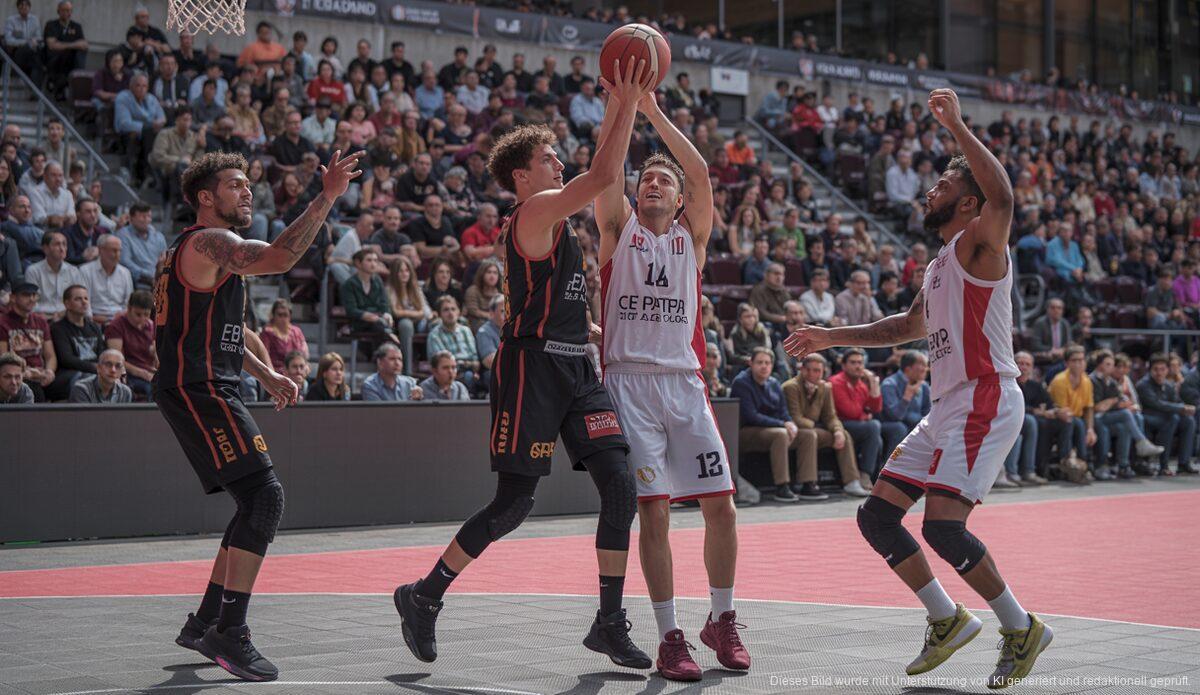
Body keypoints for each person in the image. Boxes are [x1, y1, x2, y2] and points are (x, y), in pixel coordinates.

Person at [784, 89, 1051, 687]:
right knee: (877, 518)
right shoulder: (937, 265)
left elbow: (1004, 195)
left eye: (942, 188)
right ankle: (947, 618)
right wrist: (832, 336)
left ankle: (1020, 625)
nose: (930, 192)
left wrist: (956, 125)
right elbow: (904, 327)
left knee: (942, 527)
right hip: (948, 406)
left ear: (969, 204)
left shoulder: (982, 245)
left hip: (986, 395)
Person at [394, 60, 655, 670]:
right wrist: (627, 100)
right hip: (530, 369)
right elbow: (604, 173)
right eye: (548, 158)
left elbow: (592, 187)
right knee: (513, 504)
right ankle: (425, 595)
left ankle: (609, 621)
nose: (558, 164)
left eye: (559, 158)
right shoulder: (533, 214)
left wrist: (622, 101)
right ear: (521, 174)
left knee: (619, 485)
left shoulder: (558, 220)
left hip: (576, 366)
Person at [154, 148, 361, 682]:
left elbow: (218, 327)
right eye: (235, 185)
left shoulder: (205, 253)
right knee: (265, 497)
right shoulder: (207, 241)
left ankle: (204, 623)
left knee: (251, 500)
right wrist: (326, 197)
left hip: (208, 381)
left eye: (248, 184)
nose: (248, 191)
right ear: (206, 197)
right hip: (197, 386)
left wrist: (265, 374)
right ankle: (230, 630)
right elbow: (278, 258)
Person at [594, 90, 749, 681]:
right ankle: (670, 635)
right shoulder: (618, 230)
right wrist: (623, 105)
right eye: (647, 178)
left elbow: (703, 171)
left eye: (665, 179)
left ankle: (723, 618)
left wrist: (653, 108)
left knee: (722, 508)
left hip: (685, 386)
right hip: (629, 387)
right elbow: (606, 169)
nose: (654, 184)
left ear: (682, 199)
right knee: (654, 516)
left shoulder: (693, 238)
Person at [783, 353, 869, 497]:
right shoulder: (790, 387)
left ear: (823, 372)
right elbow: (795, 418)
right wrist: (817, 425)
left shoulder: (825, 387)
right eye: (809, 370)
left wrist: (837, 430)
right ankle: (808, 483)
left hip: (816, 429)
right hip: (796, 431)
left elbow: (830, 415)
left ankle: (851, 482)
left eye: (817, 371)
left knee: (844, 435)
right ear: (802, 370)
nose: (812, 374)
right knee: (810, 435)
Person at [829, 348, 886, 486]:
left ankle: (872, 478)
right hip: (837, 424)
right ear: (844, 365)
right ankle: (865, 476)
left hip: (855, 424)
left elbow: (876, 408)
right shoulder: (835, 382)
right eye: (853, 362)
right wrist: (865, 415)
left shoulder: (861, 384)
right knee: (874, 426)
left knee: (877, 438)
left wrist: (874, 383)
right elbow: (851, 412)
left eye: (860, 363)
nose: (858, 366)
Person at [1137, 353, 1198, 476]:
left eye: (1163, 369)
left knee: (1188, 421)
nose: (1159, 373)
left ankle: (1184, 464)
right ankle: (1163, 465)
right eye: (1156, 369)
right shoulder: (1143, 384)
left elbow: (1177, 401)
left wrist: (1185, 408)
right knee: (1173, 418)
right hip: (1149, 417)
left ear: (1167, 370)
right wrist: (1181, 408)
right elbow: (1157, 404)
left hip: (1166, 416)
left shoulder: (1168, 385)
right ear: (1150, 370)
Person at [1047, 346, 1098, 477]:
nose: (1079, 363)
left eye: (1081, 360)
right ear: (1067, 363)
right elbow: (1063, 412)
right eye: (1075, 360)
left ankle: (1083, 464)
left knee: (1086, 425)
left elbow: (1089, 408)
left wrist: (1090, 429)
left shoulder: (1087, 381)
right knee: (1075, 423)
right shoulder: (1060, 381)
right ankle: (1067, 462)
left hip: (1075, 418)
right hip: (1056, 418)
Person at [0, 281, 55, 401]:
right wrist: (26, 372)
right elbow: (3, 357)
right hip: (16, 374)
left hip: (41, 374)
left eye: (34, 295)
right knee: (33, 389)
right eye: (26, 295)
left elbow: (50, 355)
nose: (31, 299)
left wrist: (49, 372)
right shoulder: (2, 322)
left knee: (73, 383)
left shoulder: (41, 321)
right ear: (13, 297)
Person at [48, 283, 104, 399]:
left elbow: (102, 354)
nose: (84, 302)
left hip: (95, 371)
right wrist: (95, 368)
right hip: (68, 374)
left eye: (86, 298)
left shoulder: (95, 327)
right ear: (67, 303)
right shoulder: (58, 328)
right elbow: (66, 359)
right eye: (78, 299)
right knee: (88, 380)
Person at [104, 290, 156, 399]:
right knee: (152, 388)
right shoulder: (116, 326)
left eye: (146, 314)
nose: (142, 319)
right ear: (129, 308)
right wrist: (142, 373)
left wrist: (155, 353)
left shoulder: (150, 325)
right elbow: (117, 360)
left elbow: (155, 355)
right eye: (138, 314)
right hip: (129, 373)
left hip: (148, 371)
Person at [880, 350, 932, 444]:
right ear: (908, 369)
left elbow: (927, 413)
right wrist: (907, 397)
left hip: (914, 424)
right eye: (923, 366)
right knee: (900, 428)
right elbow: (895, 416)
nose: (926, 369)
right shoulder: (889, 384)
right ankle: (894, 459)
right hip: (890, 424)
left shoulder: (923, 385)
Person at [258, 298, 307, 372]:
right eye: (280, 315)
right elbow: (264, 357)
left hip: (297, 371)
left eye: (285, 315)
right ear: (273, 315)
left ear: (290, 316)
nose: (283, 318)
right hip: (276, 372)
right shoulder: (267, 332)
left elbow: (304, 353)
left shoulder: (296, 331)